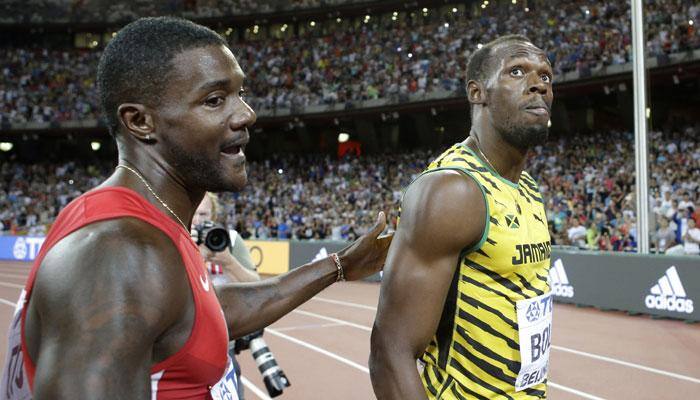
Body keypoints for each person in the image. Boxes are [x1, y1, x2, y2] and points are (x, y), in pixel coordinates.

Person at [1, 17, 391, 400]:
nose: (246, 114)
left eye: (240, 93)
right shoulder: (120, 254)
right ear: (140, 121)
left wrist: (339, 265)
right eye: (214, 100)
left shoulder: (145, 225)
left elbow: (199, 316)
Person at [370, 35, 553, 399]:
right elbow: (390, 352)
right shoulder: (452, 191)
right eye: (517, 71)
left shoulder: (527, 186)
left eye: (546, 76)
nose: (538, 84)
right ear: (476, 92)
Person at [193, 192, 259, 400]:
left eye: (203, 214)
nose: (196, 220)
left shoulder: (228, 239)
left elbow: (256, 288)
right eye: (193, 213)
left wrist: (228, 261)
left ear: (213, 213)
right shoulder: (176, 237)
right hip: (185, 348)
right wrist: (196, 256)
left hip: (224, 346)